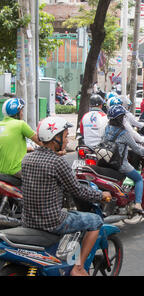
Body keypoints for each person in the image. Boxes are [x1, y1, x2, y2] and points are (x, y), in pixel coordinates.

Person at [21, 116, 111, 276]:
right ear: (54, 138)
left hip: (28, 219)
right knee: (95, 221)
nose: (67, 140)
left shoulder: (27, 159)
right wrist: (100, 195)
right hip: (52, 221)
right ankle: (78, 267)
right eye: (64, 136)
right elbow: (78, 190)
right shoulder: (57, 163)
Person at [102, 105, 144, 213]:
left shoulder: (107, 129)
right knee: (138, 179)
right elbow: (137, 149)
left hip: (106, 161)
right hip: (120, 165)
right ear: (121, 118)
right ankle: (138, 204)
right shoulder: (123, 133)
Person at [0, 98, 43, 178]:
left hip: (1, 172)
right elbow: (40, 142)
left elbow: (7, 145)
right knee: (42, 175)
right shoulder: (20, 124)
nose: (22, 114)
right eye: (21, 111)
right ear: (17, 112)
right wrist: (56, 151)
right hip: (16, 171)